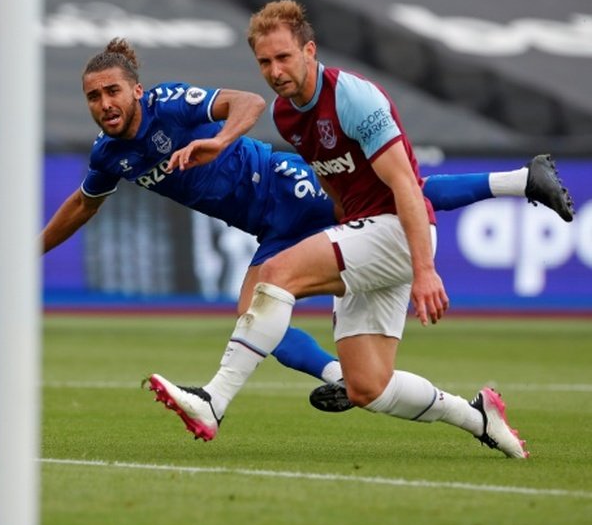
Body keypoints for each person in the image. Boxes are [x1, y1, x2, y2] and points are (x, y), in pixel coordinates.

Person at [45, 37, 573, 415]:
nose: (105, 104)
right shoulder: (110, 156)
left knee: (394, 194)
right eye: (94, 97)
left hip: (283, 186)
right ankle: (339, 377)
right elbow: (81, 206)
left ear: (135, 90)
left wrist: (219, 140)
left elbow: (249, 102)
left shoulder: (171, 104)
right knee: (253, 312)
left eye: (113, 91)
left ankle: (520, 179)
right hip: (267, 227)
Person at [146, 0, 531, 458]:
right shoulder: (287, 114)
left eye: (284, 57)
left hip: (397, 233)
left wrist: (424, 270)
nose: (274, 70)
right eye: (264, 61)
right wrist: (346, 224)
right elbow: (333, 179)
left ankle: (213, 401)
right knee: (369, 387)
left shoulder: (353, 97)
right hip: (368, 234)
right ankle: (478, 417)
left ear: (310, 50)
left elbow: (408, 184)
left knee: (274, 276)